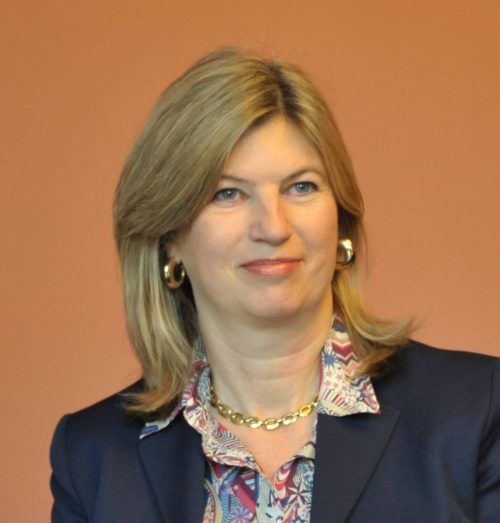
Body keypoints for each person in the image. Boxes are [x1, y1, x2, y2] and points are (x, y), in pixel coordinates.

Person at [50, 47, 500, 523]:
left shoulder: (474, 411)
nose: (273, 226)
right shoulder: (94, 456)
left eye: (301, 187)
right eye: (228, 193)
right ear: (170, 239)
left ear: (341, 220)